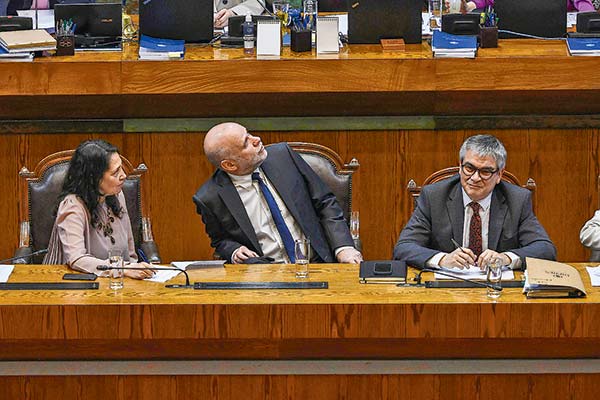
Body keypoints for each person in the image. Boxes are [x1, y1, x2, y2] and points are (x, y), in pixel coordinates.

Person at [193, 122, 363, 264]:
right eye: (246, 143)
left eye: (249, 134)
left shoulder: (284, 157)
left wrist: (343, 247)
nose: (257, 140)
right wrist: (234, 251)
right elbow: (220, 240)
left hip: (316, 264)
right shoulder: (210, 198)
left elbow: (325, 202)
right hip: (265, 275)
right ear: (229, 165)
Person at [393, 134, 556, 270]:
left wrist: (505, 258)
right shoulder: (434, 196)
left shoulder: (517, 200)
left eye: (485, 171)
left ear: (499, 174)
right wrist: (443, 259)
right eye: (469, 168)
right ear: (460, 166)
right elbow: (404, 248)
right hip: (446, 290)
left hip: (498, 289)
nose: (475, 178)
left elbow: (545, 249)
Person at [43, 140, 154, 279]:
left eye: (121, 168)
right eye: (115, 172)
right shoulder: (72, 205)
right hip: (72, 286)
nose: (124, 175)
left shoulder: (117, 195)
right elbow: (76, 259)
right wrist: (121, 269)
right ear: (94, 178)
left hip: (117, 284)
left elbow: (130, 251)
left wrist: (136, 270)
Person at [461, 0, 595, 12]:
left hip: (559, 34)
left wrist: (588, 17)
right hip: (516, 32)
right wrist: (469, 6)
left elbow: (583, 2)